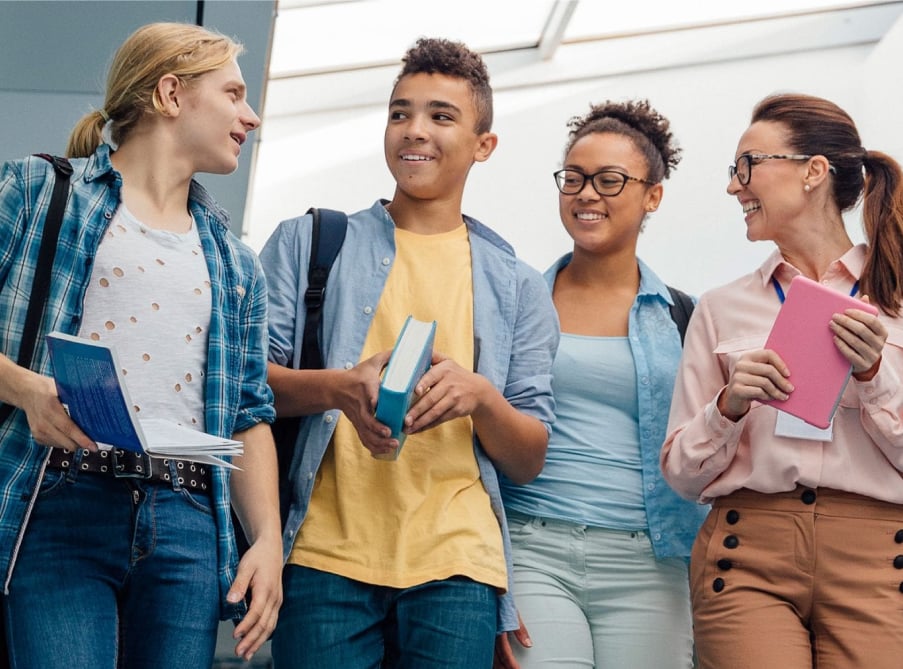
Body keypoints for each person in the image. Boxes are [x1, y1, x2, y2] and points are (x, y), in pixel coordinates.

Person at [261, 37, 559, 668]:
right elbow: (246, 386)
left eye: (440, 116)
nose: (413, 130)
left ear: (485, 145)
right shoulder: (308, 242)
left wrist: (481, 397)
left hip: (458, 564)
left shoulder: (518, 286)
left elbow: (529, 455)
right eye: (400, 113)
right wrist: (342, 387)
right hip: (322, 556)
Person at [0, 22, 282, 668]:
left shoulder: (234, 262)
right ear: (170, 94)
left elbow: (249, 413)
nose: (251, 114)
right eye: (234, 93)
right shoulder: (40, 194)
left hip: (186, 523)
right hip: (61, 503)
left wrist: (265, 539)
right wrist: (24, 389)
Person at [660, 92, 903, 669]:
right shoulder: (720, 308)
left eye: (747, 167)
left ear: (813, 172)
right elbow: (680, 472)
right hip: (747, 553)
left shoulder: (896, 300)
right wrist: (729, 405)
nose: (732, 187)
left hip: (878, 563)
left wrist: (874, 375)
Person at [494, 100, 704, 669]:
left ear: (652, 195)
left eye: (610, 180)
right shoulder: (515, 302)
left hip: (649, 562)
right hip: (533, 548)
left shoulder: (686, 316)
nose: (587, 194)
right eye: (575, 178)